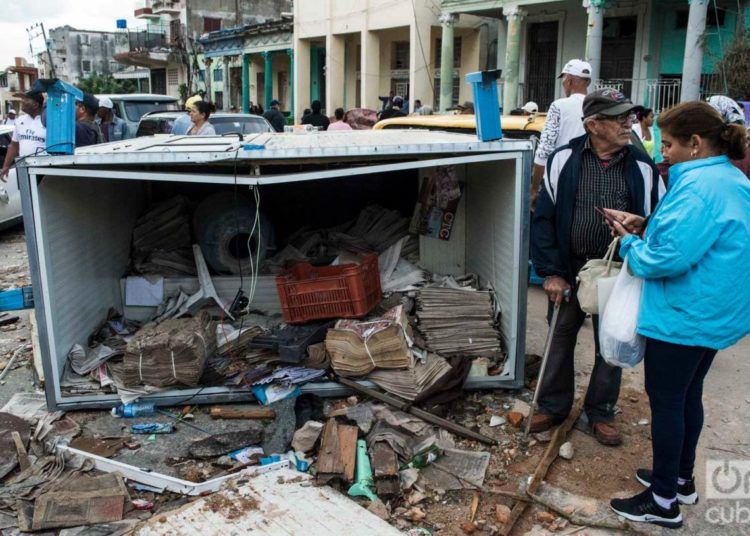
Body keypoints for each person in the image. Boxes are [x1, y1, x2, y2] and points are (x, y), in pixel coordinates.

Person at [606, 101, 750, 529]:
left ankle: (663, 501)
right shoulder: (728, 178)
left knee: (667, 401)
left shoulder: (698, 187)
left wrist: (631, 244)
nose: (661, 151)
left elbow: (665, 259)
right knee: (688, 396)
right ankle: (680, 479)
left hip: (685, 314)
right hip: (712, 312)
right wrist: (646, 224)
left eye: (667, 144)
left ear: (695, 143)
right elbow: (693, 234)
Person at [530, 88, 663, 446]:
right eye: (618, 117)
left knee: (612, 344)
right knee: (560, 337)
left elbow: (659, 220)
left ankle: (600, 411)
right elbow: (542, 220)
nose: (628, 123)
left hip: (618, 273)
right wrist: (551, 272)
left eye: (629, 116)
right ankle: (553, 405)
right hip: (570, 268)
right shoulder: (563, 160)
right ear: (593, 124)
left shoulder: (641, 166)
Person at [531, 59, 592, 209]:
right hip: (591, 181)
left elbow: (544, 150)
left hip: (559, 182)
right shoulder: (599, 105)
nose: (563, 82)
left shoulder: (559, 106)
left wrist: (533, 190)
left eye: (563, 78)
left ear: (569, 80)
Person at [1, 90, 45, 180]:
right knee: (25, 193)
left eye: (26, 99)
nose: (22, 101)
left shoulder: (48, 121)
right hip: (23, 168)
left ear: (36, 105)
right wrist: (6, 166)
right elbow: (14, 146)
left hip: (44, 169)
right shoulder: (20, 120)